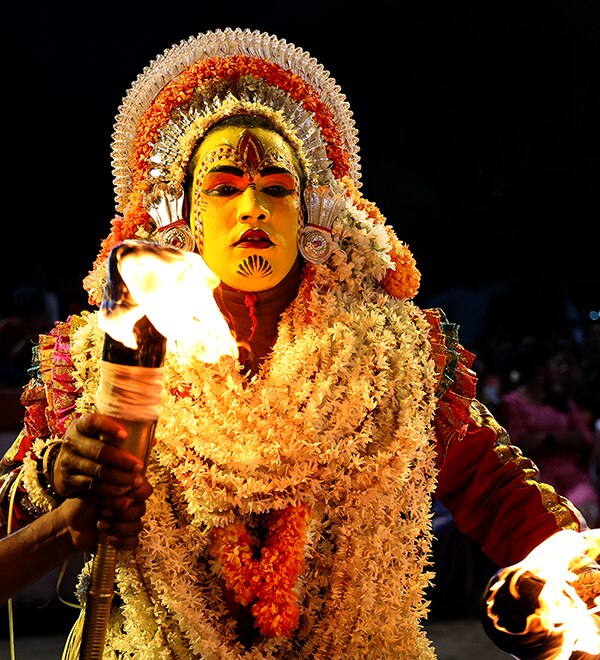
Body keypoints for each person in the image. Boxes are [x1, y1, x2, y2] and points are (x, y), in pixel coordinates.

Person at [0, 28, 597, 659]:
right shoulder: (101, 357)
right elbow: (12, 515)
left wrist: (572, 575)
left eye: (276, 188)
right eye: (224, 187)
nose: (252, 207)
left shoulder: (395, 358)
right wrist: (58, 476)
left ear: (311, 212)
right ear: (184, 214)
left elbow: (495, 489)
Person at [501, 337, 600, 528]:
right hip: (538, 479)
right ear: (540, 370)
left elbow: (584, 438)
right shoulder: (513, 402)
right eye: (555, 364)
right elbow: (520, 444)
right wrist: (561, 440)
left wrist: (546, 439)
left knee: (584, 514)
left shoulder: (561, 400)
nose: (560, 370)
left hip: (573, 476)